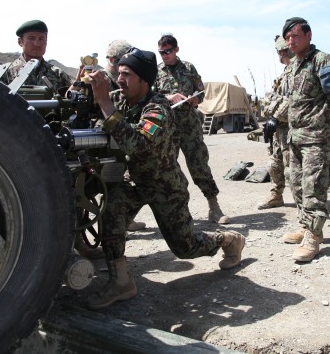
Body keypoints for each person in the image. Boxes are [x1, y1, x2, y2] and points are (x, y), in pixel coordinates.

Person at [84, 47, 245, 309]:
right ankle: (121, 282)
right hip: (133, 182)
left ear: (144, 81)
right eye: (118, 73)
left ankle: (228, 240)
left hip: (164, 186)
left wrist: (104, 103)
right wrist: (85, 87)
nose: (120, 79)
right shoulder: (123, 98)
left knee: (185, 248)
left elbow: (136, 144)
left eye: (126, 74)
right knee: (111, 216)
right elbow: (93, 102)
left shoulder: (159, 108)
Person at [279, 17, 330, 262]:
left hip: (316, 136)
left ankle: (314, 234)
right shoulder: (292, 66)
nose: (291, 41)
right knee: (295, 181)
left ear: (308, 35)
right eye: (288, 37)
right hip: (295, 136)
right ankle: (305, 223)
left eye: (295, 36)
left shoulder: (323, 61)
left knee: (314, 186)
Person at [67, 40, 146, 233]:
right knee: (97, 181)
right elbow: (72, 98)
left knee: (117, 180)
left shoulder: (126, 77)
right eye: (119, 60)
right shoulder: (98, 76)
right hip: (98, 136)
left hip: (120, 134)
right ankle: (107, 229)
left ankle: (122, 221)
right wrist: (79, 81)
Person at [153, 34, 230, 224]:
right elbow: (150, 96)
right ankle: (176, 213)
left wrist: (196, 98)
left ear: (176, 49)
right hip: (168, 128)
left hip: (189, 126)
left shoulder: (188, 68)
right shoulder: (156, 72)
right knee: (167, 168)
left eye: (168, 51)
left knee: (199, 165)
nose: (165, 55)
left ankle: (214, 208)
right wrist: (169, 98)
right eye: (161, 52)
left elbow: (201, 90)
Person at [258, 35, 293, 210]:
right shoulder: (285, 74)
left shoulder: (297, 71)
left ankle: (305, 205)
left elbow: (294, 101)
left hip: (292, 128)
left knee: (292, 167)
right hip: (280, 128)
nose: (278, 55)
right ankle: (276, 194)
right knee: (274, 164)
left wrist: (276, 117)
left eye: (280, 51)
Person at [0, 19, 70, 90]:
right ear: (20, 42)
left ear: (46, 41)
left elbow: (69, 98)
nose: (36, 43)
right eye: (31, 38)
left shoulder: (58, 75)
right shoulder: (6, 73)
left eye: (41, 39)